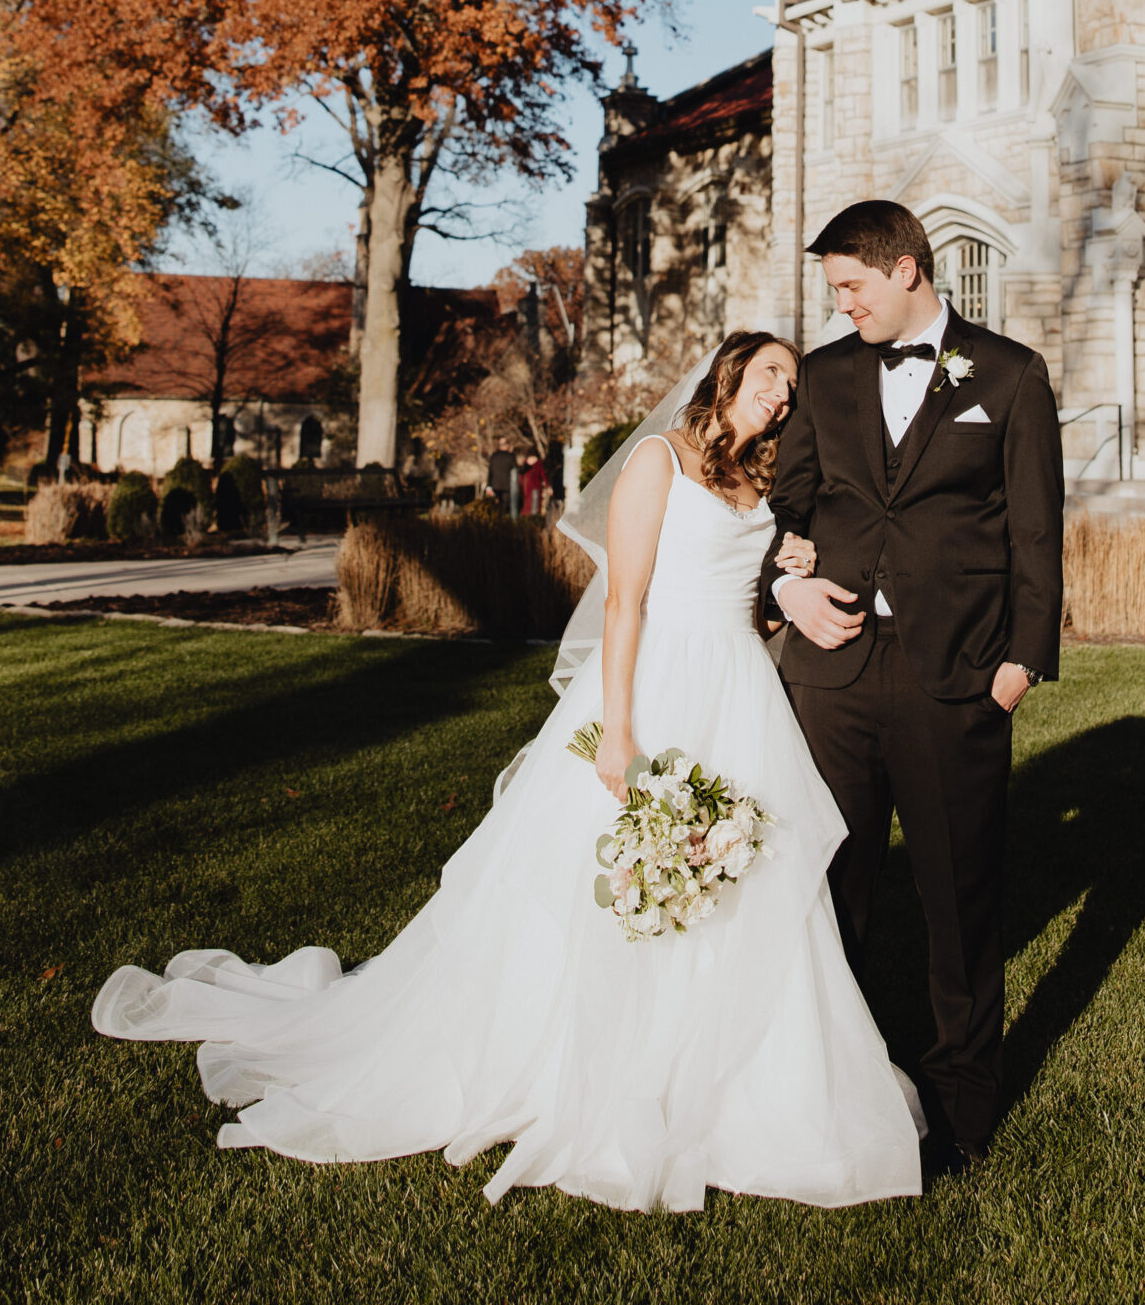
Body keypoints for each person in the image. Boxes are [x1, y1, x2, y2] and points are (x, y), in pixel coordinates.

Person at [91, 330, 924, 1211]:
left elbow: (743, 607)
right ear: (726, 376)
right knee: (613, 883)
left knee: (739, 881)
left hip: (739, 689)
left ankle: (730, 1085)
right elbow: (630, 600)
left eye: (791, 385)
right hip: (657, 683)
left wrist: (782, 572)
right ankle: (590, 1073)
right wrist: (617, 732)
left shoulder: (758, 480)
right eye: (770, 377)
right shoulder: (658, 459)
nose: (783, 395)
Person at [762, 199, 1064, 1175]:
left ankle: (964, 1111)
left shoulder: (1009, 375)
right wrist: (785, 587)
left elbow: (1034, 531)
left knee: (958, 898)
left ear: (906, 270)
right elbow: (782, 506)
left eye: (852, 285)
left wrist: (1018, 665)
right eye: (834, 290)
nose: (841, 304)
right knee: (829, 889)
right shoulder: (821, 375)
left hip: (958, 674)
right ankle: (835, 1093)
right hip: (829, 674)